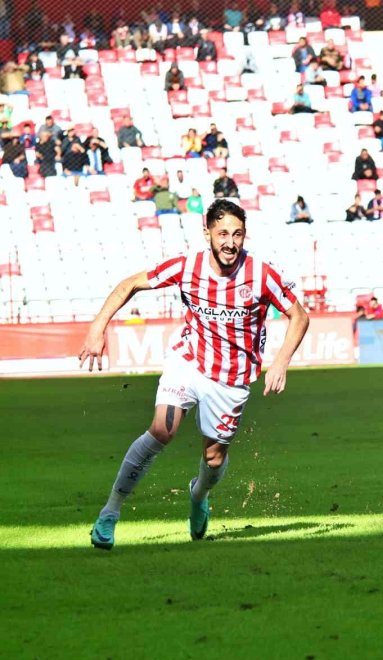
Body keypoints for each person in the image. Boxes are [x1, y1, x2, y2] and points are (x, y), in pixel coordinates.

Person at [80, 199, 309, 550]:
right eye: (222, 234)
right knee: (161, 430)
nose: (230, 242)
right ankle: (110, 511)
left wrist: (280, 362)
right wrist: (98, 327)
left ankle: (198, 495)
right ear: (207, 234)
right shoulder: (188, 266)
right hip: (188, 361)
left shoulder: (261, 274)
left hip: (232, 379)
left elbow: (299, 315)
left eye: (237, 234)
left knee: (213, 458)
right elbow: (131, 283)